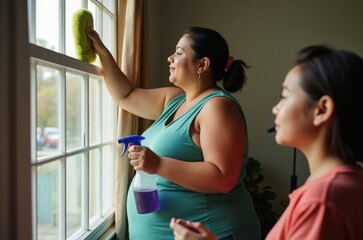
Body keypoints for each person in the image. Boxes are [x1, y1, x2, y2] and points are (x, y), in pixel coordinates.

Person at [170, 45, 363, 240]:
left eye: (285, 96)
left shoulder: (322, 201)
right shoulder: (346, 185)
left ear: (322, 110)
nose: (275, 109)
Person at [87, 26, 261, 240]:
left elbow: (223, 178)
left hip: (218, 232)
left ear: (202, 64)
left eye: (179, 53)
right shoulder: (175, 99)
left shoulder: (217, 107)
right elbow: (126, 96)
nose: (170, 58)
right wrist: (102, 53)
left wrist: (158, 164)